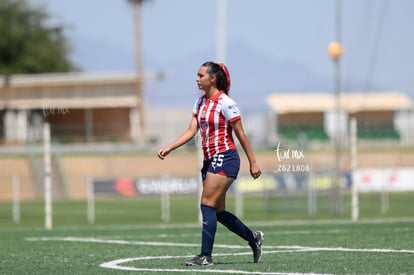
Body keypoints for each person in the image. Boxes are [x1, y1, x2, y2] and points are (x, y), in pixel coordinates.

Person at [157, 61, 263, 266]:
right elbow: (191, 131)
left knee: (206, 203)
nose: (197, 79)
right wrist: (170, 147)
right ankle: (253, 238)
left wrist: (253, 162)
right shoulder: (200, 103)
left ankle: (205, 255)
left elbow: (240, 133)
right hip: (209, 161)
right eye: (197, 75)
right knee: (217, 211)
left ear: (212, 78)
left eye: (201, 75)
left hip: (226, 157)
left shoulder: (226, 102)